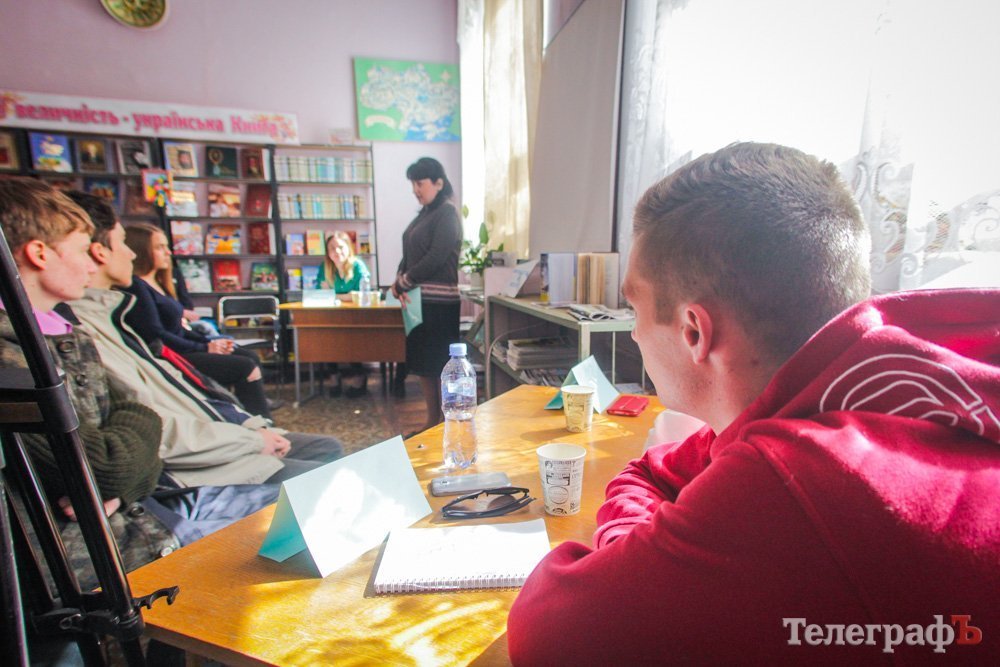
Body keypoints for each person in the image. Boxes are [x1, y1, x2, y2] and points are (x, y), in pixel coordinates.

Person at [507, 143, 1000, 663]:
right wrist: (638, 546)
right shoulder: (879, 384)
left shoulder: (795, 479)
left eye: (635, 309)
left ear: (694, 332)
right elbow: (650, 471)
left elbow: (547, 633)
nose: (633, 334)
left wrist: (635, 558)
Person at [0, 180, 280, 590]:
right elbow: (108, 465)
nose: (92, 264)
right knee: (278, 540)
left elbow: (136, 425)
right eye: (83, 250)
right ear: (39, 253)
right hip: (102, 549)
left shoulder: (69, 335)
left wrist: (123, 480)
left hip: (133, 511)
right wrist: (120, 474)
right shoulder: (13, 358)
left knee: (297, 510)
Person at [63, 192, 344, 487]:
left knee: (326, 448)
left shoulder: (114, 315)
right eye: (123, 242)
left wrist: (249, 428)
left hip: (212, 433)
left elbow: (181, 390)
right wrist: (249, 439)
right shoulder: (93, 329)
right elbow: (158, 417)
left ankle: (263, 425)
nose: (131, 254)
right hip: (195, 463)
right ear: (99, 252)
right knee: (325, 478)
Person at [120, 222, 271, 419]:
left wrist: (209, 342)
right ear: (141, 251)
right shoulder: (138, 287)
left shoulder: (159, 282)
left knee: (249, 356)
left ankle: (247, 412)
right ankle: (259, 421)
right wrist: (205, 347)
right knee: (245, 366)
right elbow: (157, 335)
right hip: (171, 356)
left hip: (183, 347)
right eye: (159, 247)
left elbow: (178, 329)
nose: (168, 252)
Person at [391, 157, 462, 430]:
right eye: (413, 184)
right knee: (423, 364)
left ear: (438, 183)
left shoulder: (447, 213)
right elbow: (409, 253)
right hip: (419, 302)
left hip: (439, 304)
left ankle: (443, 423)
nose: (415, 190)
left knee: (439, 365)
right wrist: (398, 279)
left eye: (419, 183)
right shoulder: (425, 214)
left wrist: (404, 281)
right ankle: (432, 421)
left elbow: (436, 256)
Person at [318, 230, 371, 397]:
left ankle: (359, 377)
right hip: (330, 316)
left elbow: (362, 294)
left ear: (348, 247)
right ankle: (334, 376)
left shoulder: (358, 266)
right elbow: (321, 294)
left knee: (350, 339)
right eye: (332, 248)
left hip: (356, 317)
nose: (336, 251)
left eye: (340, 247)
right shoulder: (325, 268)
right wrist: (346, 296)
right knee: (327, 338)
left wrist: (335, 295)